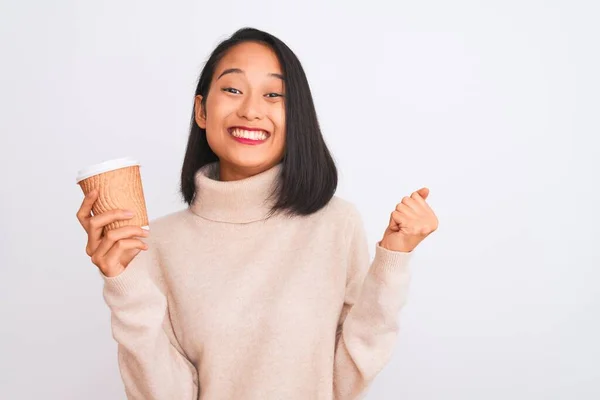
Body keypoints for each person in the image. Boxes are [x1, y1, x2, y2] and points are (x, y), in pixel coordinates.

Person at [76, 27, 438, 400]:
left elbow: (348, 378)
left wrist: (393, 258)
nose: (250, 110)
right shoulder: (154, 243)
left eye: (273, 95)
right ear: (202, 110)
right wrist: (124, 282)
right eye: (232, 90)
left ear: (295, 116)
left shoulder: (335, 224)